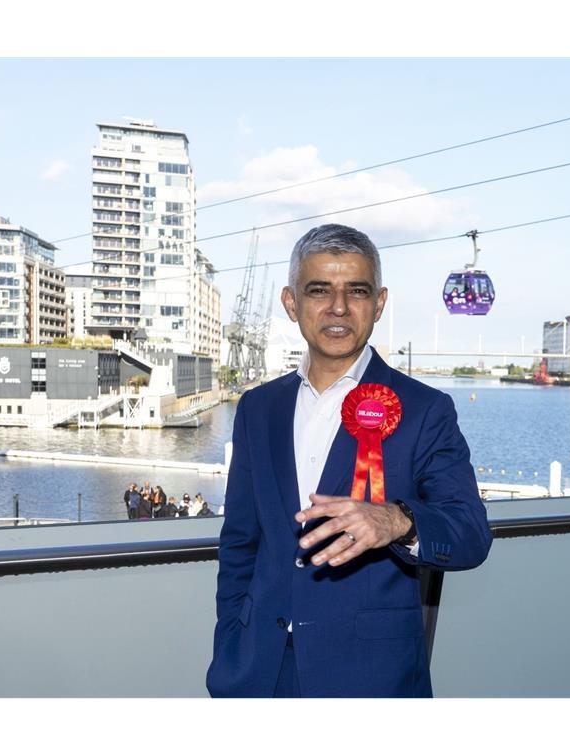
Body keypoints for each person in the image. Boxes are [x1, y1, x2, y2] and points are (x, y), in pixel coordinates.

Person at [206, 223, 492, 698]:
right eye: (319, 290)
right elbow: (240, 545)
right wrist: (229, 650)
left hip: (369, 678)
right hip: (257, 671)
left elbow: (470, 534)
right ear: (291, 302)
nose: (338, 308)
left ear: (378, 304)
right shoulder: (257, 408)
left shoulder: (425, 409)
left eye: (355, 291)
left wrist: (398, 520)